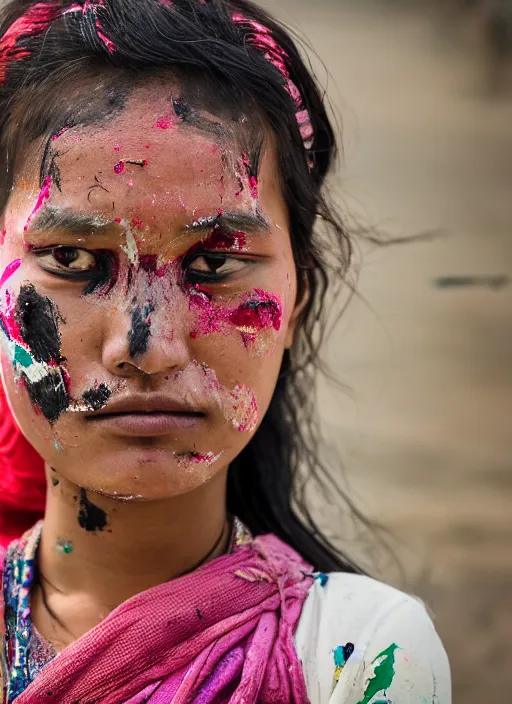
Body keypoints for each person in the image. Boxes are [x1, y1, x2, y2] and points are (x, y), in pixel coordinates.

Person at [0, 1, 451, 701]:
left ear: (298, 299)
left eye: (213, 265)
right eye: (70, 257)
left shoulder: (359, 658)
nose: (145, 347)